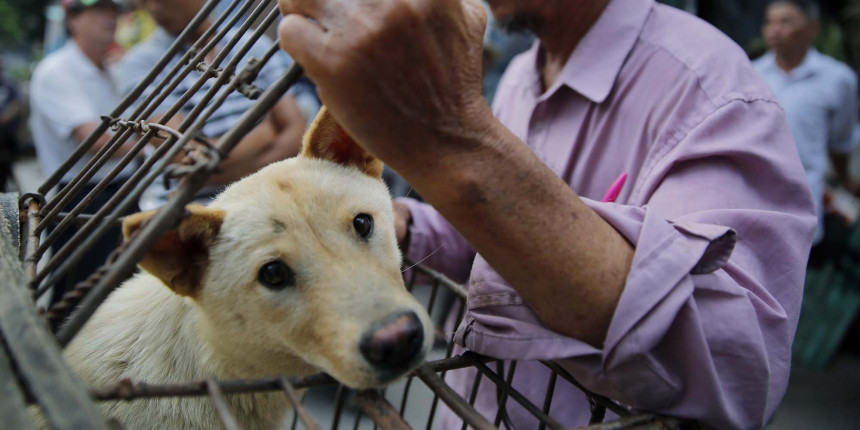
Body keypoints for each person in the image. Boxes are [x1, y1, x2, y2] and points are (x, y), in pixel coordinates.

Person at [277, 0, 817, 428]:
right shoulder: (519, 76)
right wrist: (398, 226)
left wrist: (455, 140)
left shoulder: (711, 89)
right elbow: (491, 244)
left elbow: (738, 371)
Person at [117, 0, 307, 210]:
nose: (152, 8)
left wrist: (217, 170)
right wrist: (264, 134)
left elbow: (296, 132)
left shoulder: (252, 44)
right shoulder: (140, 64)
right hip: (189, 212)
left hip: (265, 203)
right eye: (142, 1)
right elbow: (184, 157)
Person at [29, 0, 140, 306]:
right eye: (99, 9)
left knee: (121, 296)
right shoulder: (56, 71)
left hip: (122, 190)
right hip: (81, 199)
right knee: (79, 301)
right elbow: (94, 139)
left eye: (112, 10)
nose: (110, 17)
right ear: (72, 18)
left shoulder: (111, 69)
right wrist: (158, 145)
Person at [753, 0, 860, 251]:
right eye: (770, 22)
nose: (774, 30)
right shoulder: (751, 74)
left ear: (812, 28)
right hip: (754, 199)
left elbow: (841, 141)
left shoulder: (838, 79)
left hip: (803, 204)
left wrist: (845, 180)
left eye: (786, 22)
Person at [0, 58, 22, 191]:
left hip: (6, 139)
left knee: (5, 171)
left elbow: (17, 104)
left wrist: (4, 118)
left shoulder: (9, 85)